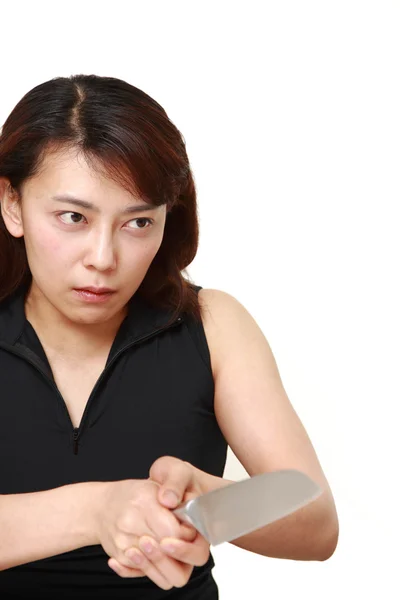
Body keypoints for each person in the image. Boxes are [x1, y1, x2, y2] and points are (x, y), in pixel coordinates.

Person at [0, 74, 339, 599]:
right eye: (73, 217)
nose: (104, 259)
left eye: (137, 223)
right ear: (12, 205)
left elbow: (317, 523)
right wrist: (98, 511)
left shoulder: (213, 323)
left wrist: (205, 505)